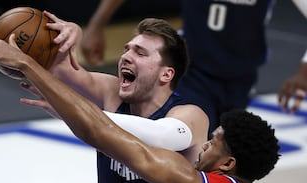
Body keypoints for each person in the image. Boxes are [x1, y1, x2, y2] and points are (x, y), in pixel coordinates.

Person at [0, 28, 281, 183]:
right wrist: (64, 36)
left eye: (139, 52)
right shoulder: (110, 92)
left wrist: (30, 67)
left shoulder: (190, 177)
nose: (126, 56)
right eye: (127, 49)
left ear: (166, 73)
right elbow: (64, 74)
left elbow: (102, 131)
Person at [80, 0, 307, 135]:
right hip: (192, 71)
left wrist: (303, 71)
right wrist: (97, 24)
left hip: (241, 76)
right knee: (183, 145)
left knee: (222, 158)